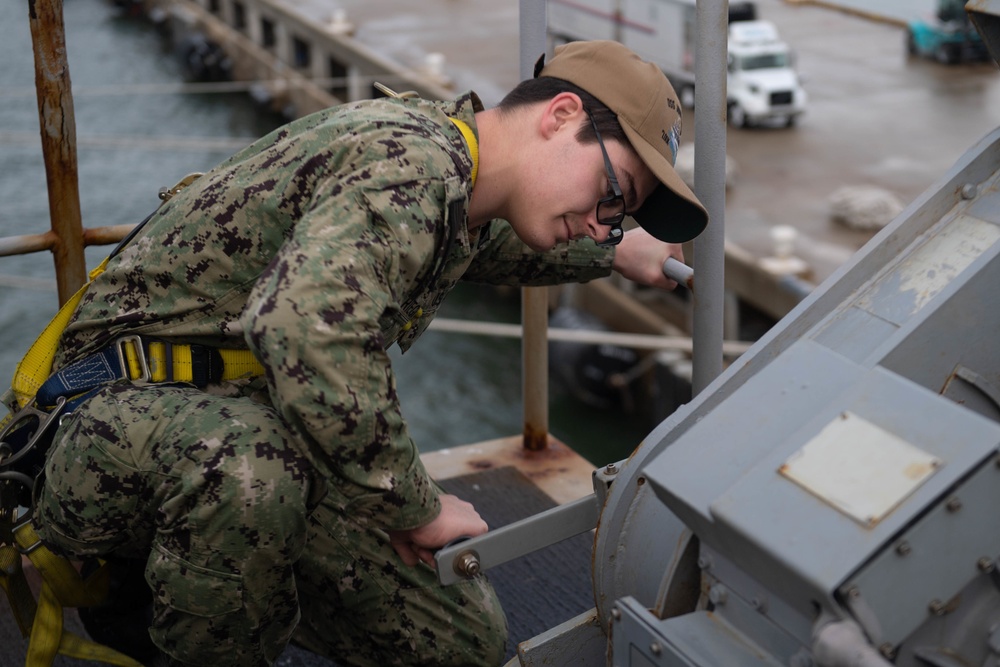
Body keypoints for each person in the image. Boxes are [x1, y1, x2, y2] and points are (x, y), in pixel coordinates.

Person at [5, 39, 707, 666]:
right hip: (99, 426)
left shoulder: (457, 180)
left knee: (460, 639)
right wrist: (414, 506)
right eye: (612, 196)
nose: (601, 220)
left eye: (619, 216)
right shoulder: (414, 161)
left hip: (240, 430)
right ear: (559, 116)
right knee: (251, 471)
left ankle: (186, 594)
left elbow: (483, 240)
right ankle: (154, 613)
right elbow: (304, 328)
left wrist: (610, 253)